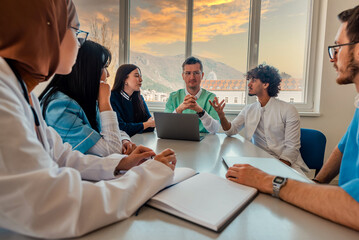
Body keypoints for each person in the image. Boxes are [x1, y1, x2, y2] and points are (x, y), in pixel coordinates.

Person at [0, 0, 176, 238]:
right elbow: (54, 206)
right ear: (45, 30)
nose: (79, 43)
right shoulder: (6, 93)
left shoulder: (24, 93)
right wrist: (150, 175)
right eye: (76, 33)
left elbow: (62, 156)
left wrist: (120, 164)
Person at [225, 5, 359, 231]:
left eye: (337, 48)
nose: (332, 58)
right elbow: (343, 148)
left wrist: (267, 181)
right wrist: (316, 184)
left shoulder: (287, 109)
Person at [39, 40, 135, 156]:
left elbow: (109, 130)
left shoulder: (82, 99)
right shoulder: (60, 108)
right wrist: (105, 103)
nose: (108, 74)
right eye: (104, 67)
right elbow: (111, 152)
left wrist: (124, 140)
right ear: (88, 70)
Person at [211, 64, 309, 175]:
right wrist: (221, 116)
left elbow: (292, 149)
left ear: (265, 84)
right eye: (249, 80)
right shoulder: (249, 109)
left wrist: (273, 172)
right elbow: (231, 131)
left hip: (284, 163)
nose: (249, 84)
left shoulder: (288, 110)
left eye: (253, 80)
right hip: (258, 161)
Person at [165, 56, 220, 134]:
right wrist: (179, 109)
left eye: (196, 73)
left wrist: (200, 111)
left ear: (202, 75)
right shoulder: (173, 97)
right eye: (188, 73)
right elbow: (166, 127)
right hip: (178, 141)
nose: (192, 77)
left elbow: (215, 129)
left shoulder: (211, 98)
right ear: (183, 76)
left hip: (204, 142)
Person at [111, 64, 155, 137]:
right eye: (137, 76)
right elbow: (121, 128)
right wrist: (146, 124)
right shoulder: (112, 98)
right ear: (124, 79)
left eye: (141, 76)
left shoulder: (139, 98)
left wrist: (144, 125)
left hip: (138, 140)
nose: (141, 80)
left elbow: (151, 126)